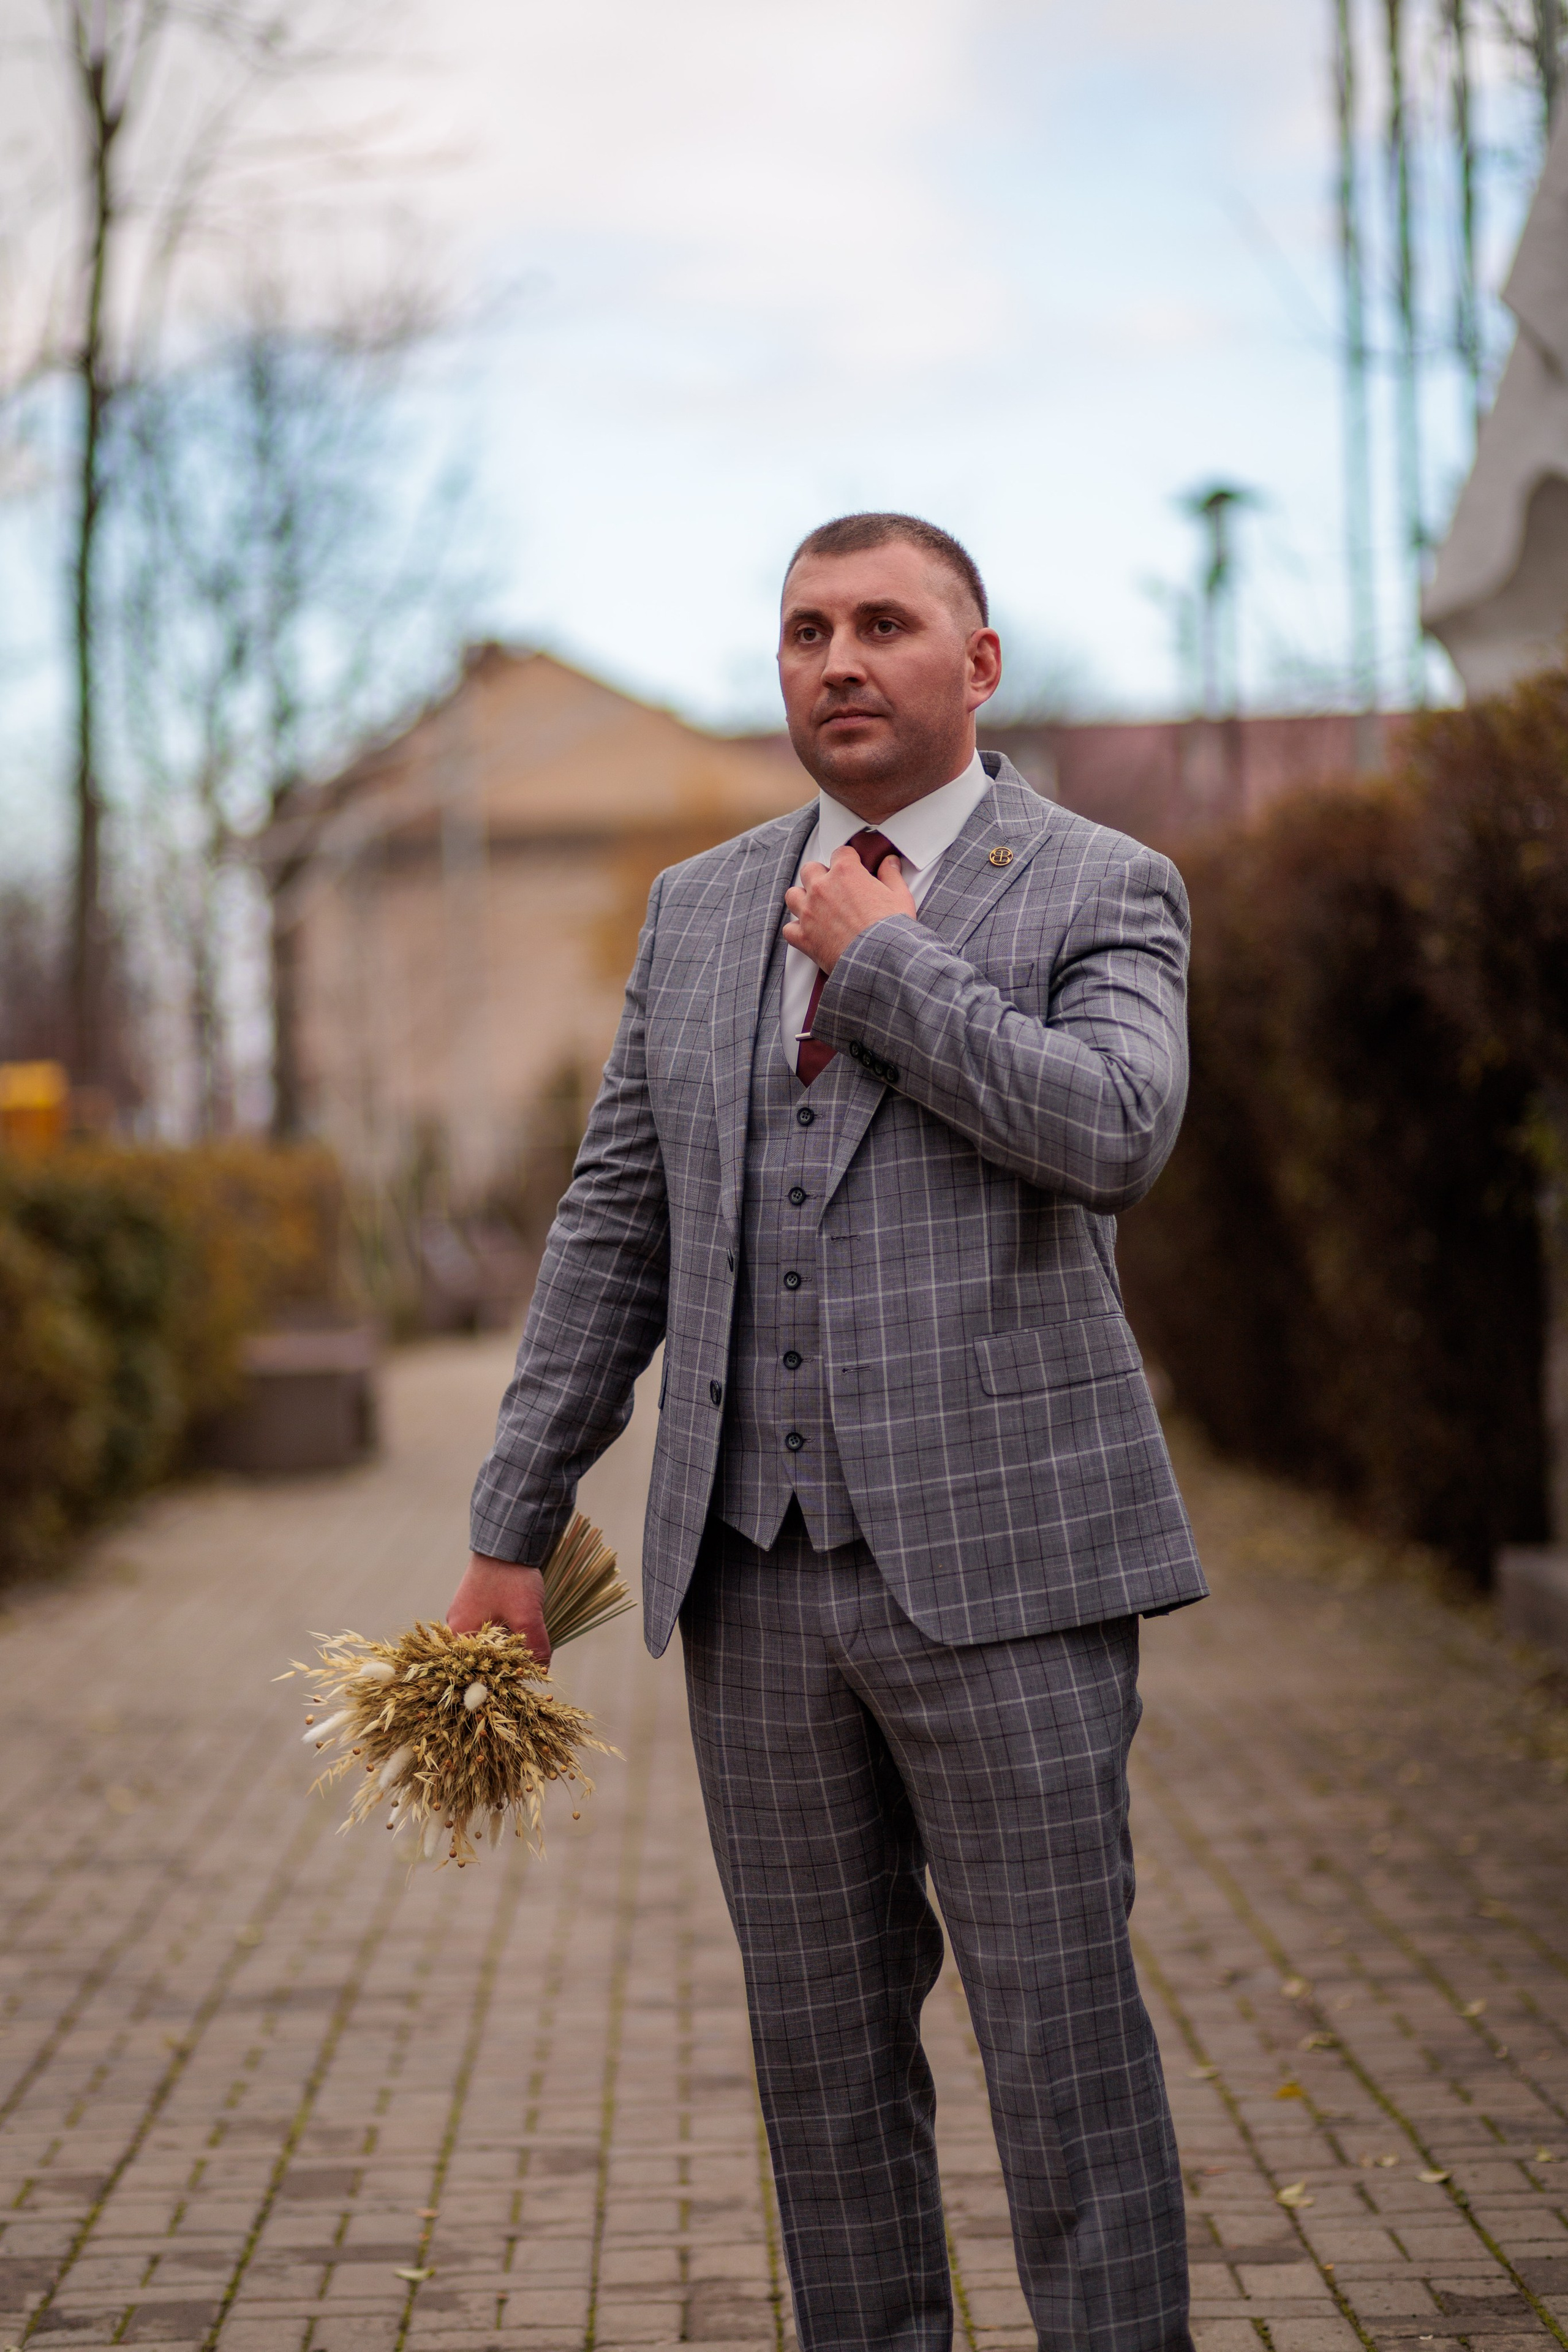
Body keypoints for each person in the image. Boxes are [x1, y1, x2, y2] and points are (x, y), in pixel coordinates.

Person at [449, 512, 1208, 2352]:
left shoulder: (1100, 882)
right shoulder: (700, 908)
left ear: (980, 663)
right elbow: (613, 1223)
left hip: (1011, 1579)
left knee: (1062, 2052)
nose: (839, 660)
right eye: (806, 631)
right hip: (754, 1588)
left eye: (885, 624)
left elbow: (1117, 1128)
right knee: (821, 2067)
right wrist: (509, 1521)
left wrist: (887, 963)